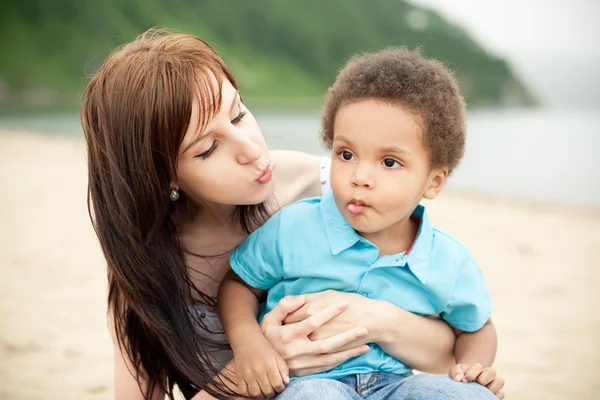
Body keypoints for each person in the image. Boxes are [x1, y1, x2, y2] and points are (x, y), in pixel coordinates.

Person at [81, 29, 463, 400]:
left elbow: (447, 350)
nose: (250, 148)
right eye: (209, 149)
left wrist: (376, 318)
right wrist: (258, 361)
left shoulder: (330, 186)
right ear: (162, 176)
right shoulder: (145, 265)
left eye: (238, 114)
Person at [219, 48, 506, 400]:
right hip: (307, 382)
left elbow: (477, 329)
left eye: (389, 162)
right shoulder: (295, 226)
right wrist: (249, 344)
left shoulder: (448, 259)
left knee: (472, 397)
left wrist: (472, 368)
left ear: (433, 181)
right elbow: (238, 285)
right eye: (346, 154)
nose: (360, 177)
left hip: (396, 385)